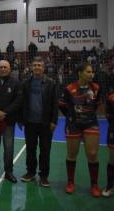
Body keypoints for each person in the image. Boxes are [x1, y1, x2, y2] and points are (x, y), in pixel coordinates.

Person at [60, 63, 101, 197]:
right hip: (73, 125)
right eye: (88, 72)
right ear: (80, 73)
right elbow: (62, 105)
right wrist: (72, 116)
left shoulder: (96, 88)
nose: (91, 74)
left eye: (92, 72)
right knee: (72, 154)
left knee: (93, 153)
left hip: (91, 123)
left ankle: (94, 185)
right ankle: (70, 182)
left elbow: (96, 105)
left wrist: (86, 115)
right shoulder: (69, 88)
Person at [19, 57, 58, 187]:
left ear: (43, 68)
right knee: (30, 149)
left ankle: (44, 176)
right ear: (31, 67)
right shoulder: (25, 83)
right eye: (35, 65)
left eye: (39, 65)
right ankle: (30, 172)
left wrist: (54, 121)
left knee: (45, 150)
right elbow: (22, 102)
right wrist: (21, 119)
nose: (37, 67)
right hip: (30, 122)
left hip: (45, 123)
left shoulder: (51, 83)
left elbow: (55, 103)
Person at [103, 90, 114, 197]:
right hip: (113, 130)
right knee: (112, 160)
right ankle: (110, 186)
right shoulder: (111, 97)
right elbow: (108, 114)